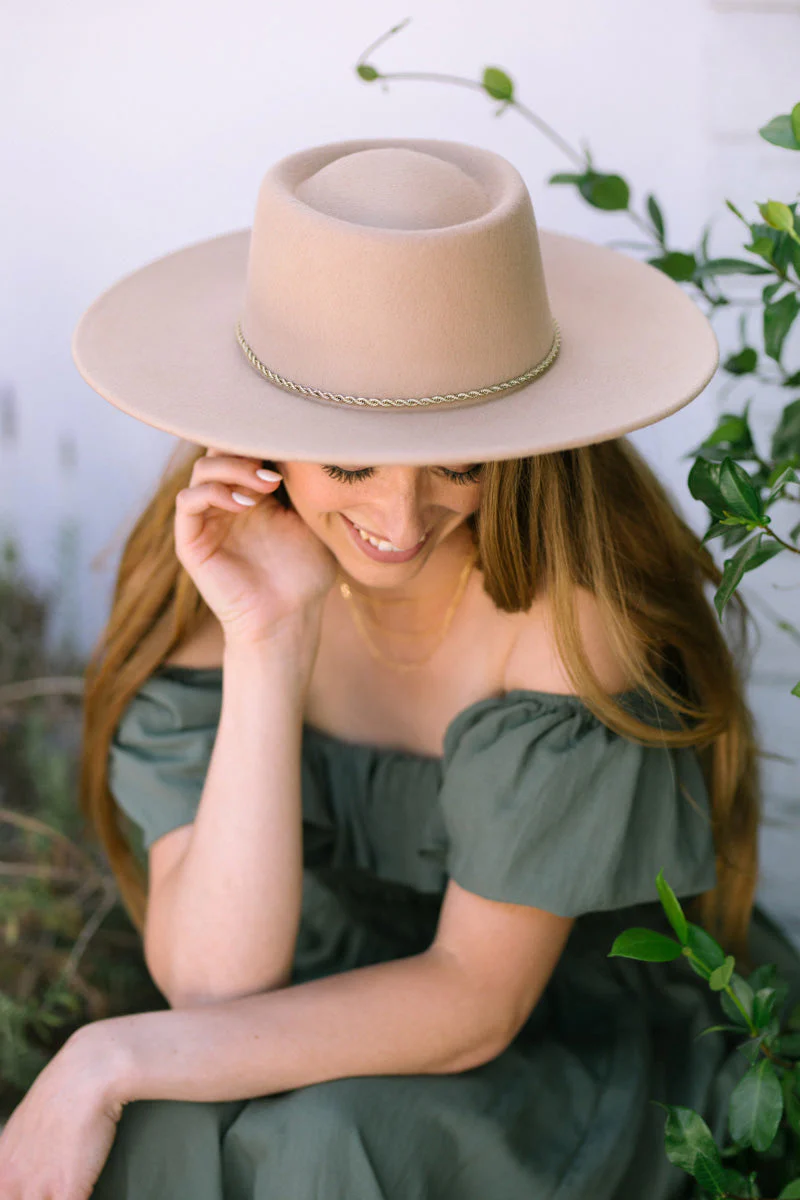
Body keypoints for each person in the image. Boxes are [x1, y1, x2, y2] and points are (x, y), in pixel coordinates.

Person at [2, 136, 799, 1200]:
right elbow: (212, 984)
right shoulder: (221, 589)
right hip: (284, 1011)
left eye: (459, 464)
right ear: (260, 437)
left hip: (540, 1042)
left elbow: (474, 1001)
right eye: (346, 462)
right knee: (167, 1145)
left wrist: (110, 1055)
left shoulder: (564, 621)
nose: (396, 518)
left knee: (318, 1149)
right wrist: (270, 639)